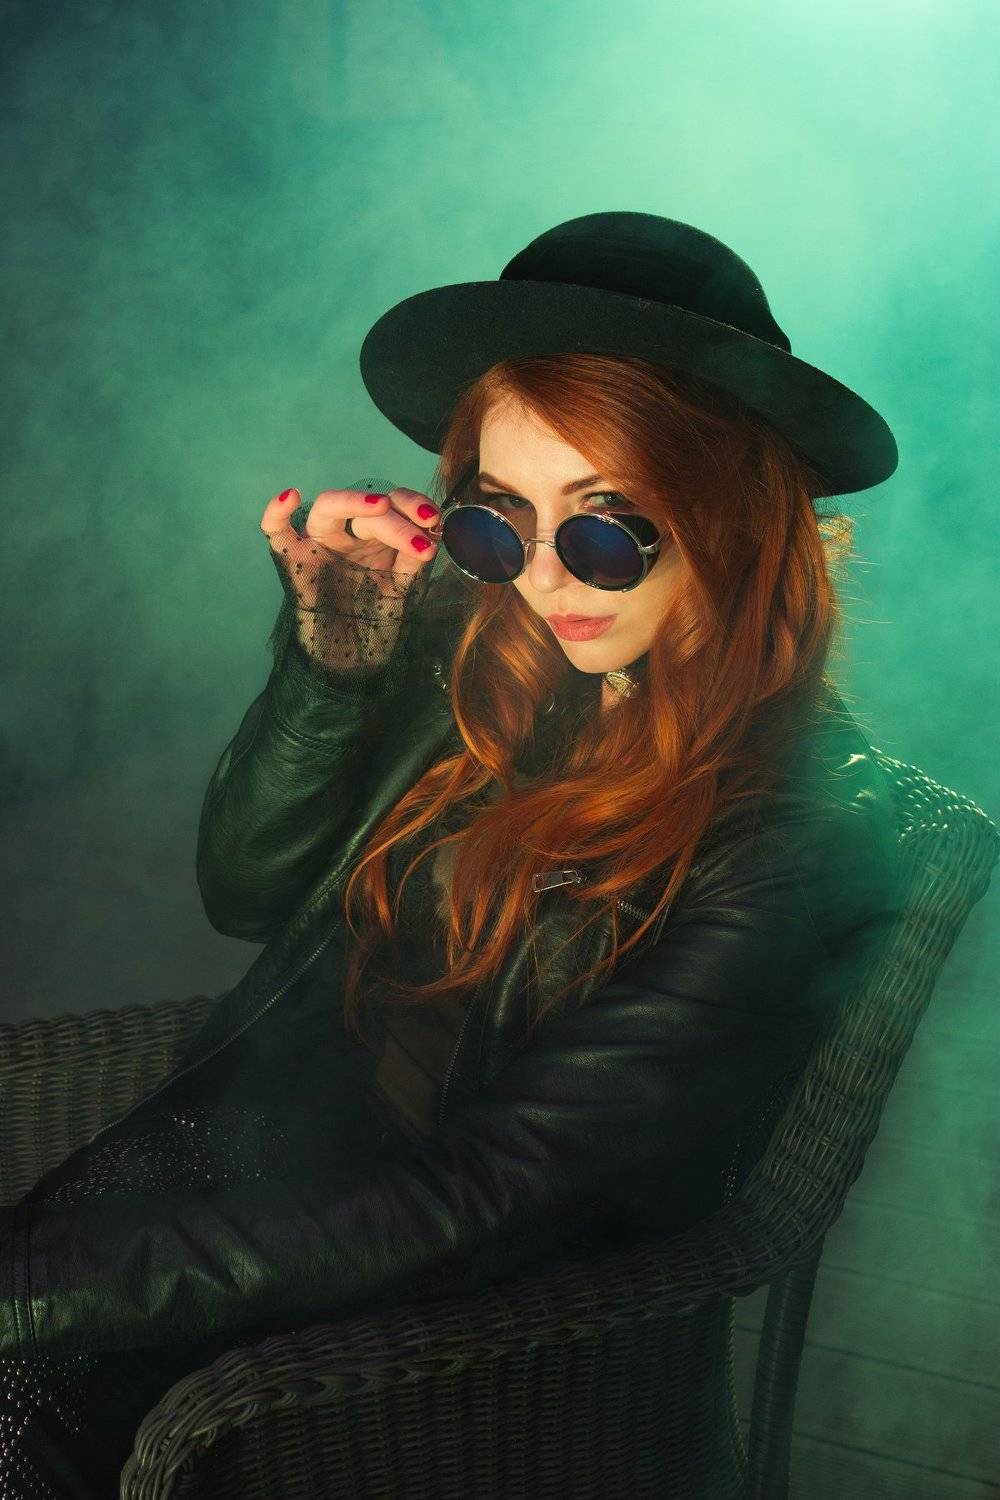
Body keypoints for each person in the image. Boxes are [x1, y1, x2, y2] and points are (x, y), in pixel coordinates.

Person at [0, 212, 904, 1496]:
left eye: (604, 529)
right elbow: (243, 889)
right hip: (252, 1158)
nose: (542, 580)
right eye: (495, 523)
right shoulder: (487, 665)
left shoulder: (802, 831)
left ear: (737, 513)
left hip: (428, 1298)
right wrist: (336, 660)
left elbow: (491, 1191)